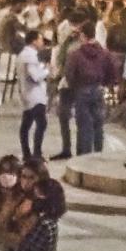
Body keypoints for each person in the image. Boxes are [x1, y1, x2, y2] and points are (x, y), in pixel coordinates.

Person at [65, 19, 118, 156]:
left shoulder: (75, 54)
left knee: (84, 126)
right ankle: (98, 154)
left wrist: (74, 87)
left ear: (83, 35)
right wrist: (104, 84)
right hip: (98, 89)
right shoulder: (105, 53)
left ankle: (84, 156)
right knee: (98, 125)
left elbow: (70, 74)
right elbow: (112, 72)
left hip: (82, 90)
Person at [49, 10, 87, 160]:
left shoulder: (85, 43)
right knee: (63, 115)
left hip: (80, 85)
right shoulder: (67, 41)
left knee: (80, 117)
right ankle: (66, 148)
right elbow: (60, 58)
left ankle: (80, 149)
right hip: (66, 83)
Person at [18, 29, 50, 160]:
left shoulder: (24, 54)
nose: (42, 42)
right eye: (40, 39)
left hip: (28, 94)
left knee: (26, 124)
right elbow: (34, 76)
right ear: (34, 41)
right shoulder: (29, 56)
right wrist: (47, 71)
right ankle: (36, 153)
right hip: (35, 95)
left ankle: (27, 153)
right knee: (41, 123)